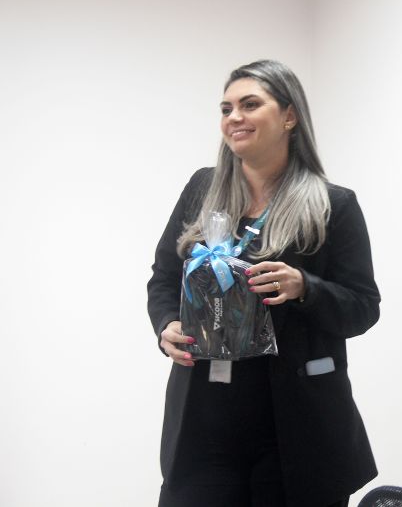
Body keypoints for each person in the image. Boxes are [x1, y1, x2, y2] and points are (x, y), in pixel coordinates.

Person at [147, 60, 380, 507]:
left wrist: (305, 287)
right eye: (226, 108)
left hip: (296, 432)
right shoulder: (202, 189)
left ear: (289, 116)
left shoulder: (333, 204)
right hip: (204, 427)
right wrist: (166, 325)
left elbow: (363, 307)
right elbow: (164, 278)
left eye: (250, 104)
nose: (234, 117)